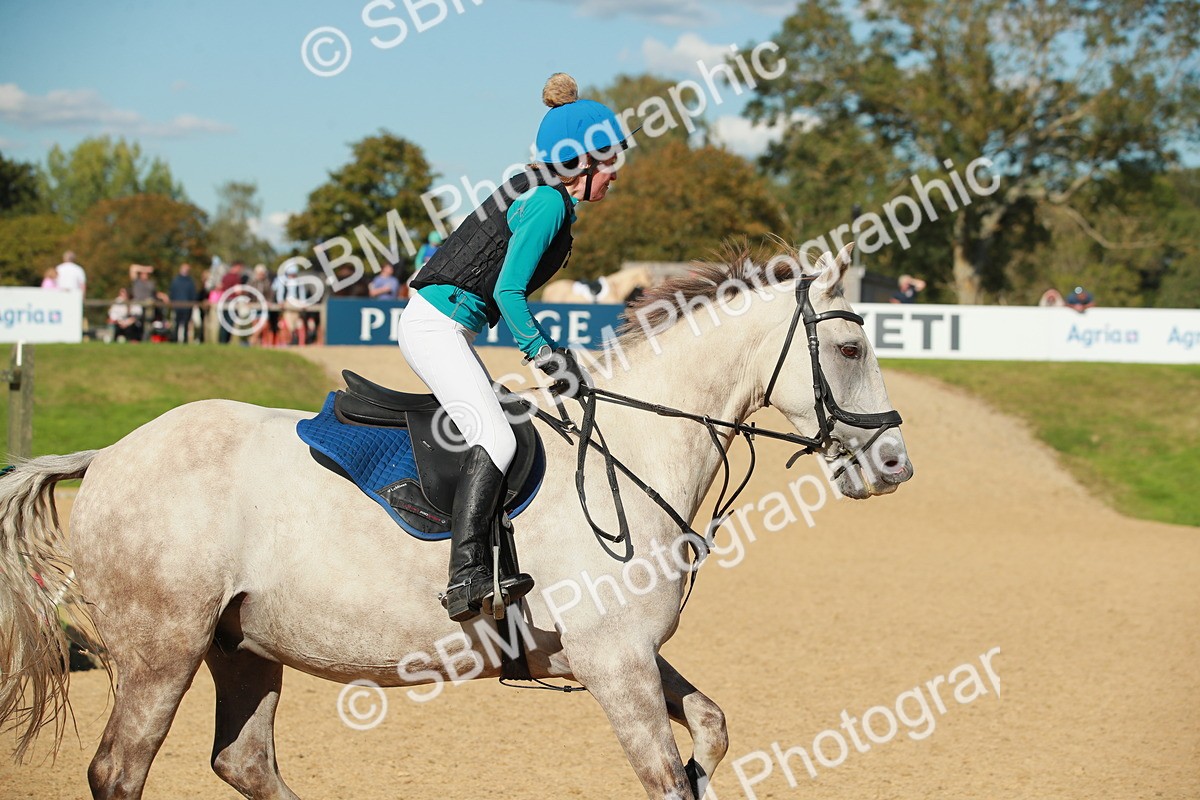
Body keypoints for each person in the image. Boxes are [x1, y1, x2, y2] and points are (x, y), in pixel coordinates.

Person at [400, 72, 632, 621]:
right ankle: (466, 577)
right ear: (585, 162)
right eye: (613, 163)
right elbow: (507, 292)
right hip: (435, 326)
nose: (617, 176)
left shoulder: (540, 193)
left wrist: (545, 349)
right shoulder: (548, 202)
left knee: (500, 424)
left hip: (445, 324)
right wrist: (545, 354)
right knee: (497, 438)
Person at [168, 263, 198, 343]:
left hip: (187, 306)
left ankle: (185, 340)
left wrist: (192, 303)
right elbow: (172, 293)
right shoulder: (176, 280)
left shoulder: (190, 281)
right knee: (177, 323)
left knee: (185, 324)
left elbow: (193, 294)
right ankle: (174, 339)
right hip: (177, 305)